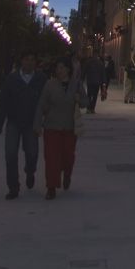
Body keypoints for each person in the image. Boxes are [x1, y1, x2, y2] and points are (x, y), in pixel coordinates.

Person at [0, 49, 47, 199]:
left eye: (32, 59)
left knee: (32, 153)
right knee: (10, 154)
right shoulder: (12, 79)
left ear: (36, 62)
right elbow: (3, 101)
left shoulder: (41, 79)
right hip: (14, 121)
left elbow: (46, 101)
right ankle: (13, 187)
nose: (29, 62)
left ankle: (30, 171)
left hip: (32, 122)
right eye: (26, 59)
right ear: (21, 61)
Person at [33, 57, 86, 199]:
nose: (59, 70)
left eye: (62, 67)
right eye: (57, 68)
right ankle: (51, 187)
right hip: (52, 127)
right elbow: (41, 104)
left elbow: (85, 102)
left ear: (68, 69)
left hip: (69, 128)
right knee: (51, 158)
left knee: (68, 157)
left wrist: (78, 99)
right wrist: (37, 124)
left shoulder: (76, 84)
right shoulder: (50, 84)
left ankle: (67, 174)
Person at [82, 47, 106, 113]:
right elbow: (103, 73)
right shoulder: (100, 63)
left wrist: (82, 79)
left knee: (89, 94)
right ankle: (92, 108)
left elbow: (84, 71)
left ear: (93, 54)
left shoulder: (88, 62)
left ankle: (88, 108)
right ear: (97, 54)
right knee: (95, 95)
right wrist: (103, 82)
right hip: (97, 82)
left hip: (90, 81)